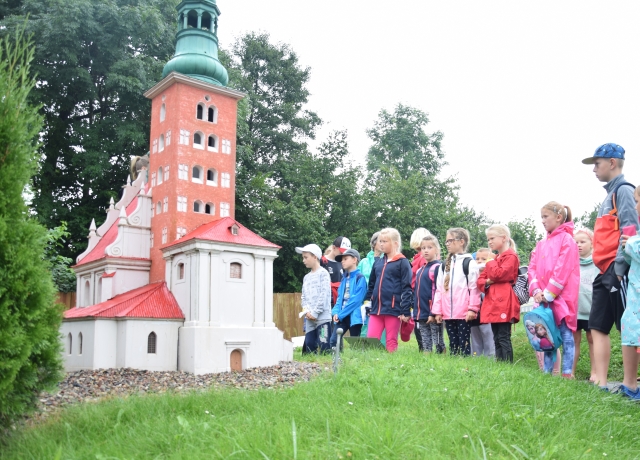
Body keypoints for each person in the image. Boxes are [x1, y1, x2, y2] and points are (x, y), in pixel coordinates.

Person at [582, 143, 638, 388]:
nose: (594, 169)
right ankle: (602, 383)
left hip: (618, 271)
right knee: (597, 325)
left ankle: (630, 383)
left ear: (612, 163)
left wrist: (619, 268)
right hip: (602, 270)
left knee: (631, 327)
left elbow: (630, 229)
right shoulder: (607, 195)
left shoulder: (624, 190)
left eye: (597, 164)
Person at [528, 202, 579, 378]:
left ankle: (566, 373)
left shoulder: (568, 240)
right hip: (544, 298)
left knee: (565, 335)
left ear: (558, 217)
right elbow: (532, 268)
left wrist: (549, 293)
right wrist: (536, 291)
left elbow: (562, 270)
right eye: (541, 217)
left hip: (561, 298)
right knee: (547, 335)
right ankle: (547, 374)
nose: (542, 220)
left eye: (545, 216)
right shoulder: (540, 244)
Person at [432, 228, 480, 356]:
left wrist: (472, 309)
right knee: (453, 343)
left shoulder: (469, 263)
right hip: (448, 313)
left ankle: (465, 367)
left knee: (464, 343)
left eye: (450, 240)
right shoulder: (443, 265)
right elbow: (439, 290)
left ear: (461, 242)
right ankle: (454, 367)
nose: (447, 244)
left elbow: (474, 288)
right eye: (446, 241)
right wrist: (437, 311)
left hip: (464, 313)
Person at [477, 225, 520, 362]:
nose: (489, 242)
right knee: (496, 336)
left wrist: (490, 263)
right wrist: (490, 280)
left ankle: (507, 365)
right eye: (488, 239)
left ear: (504, 238)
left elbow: (498, 274)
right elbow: (480, 281)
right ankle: (500, 364)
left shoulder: (510, 257)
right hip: (493, 301)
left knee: (503, 336)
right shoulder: (496, 258)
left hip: (504, 300)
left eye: (492, 238)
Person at [365, 228, 413, 352]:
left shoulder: (403, 262)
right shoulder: (378, 262)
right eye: (380, 241)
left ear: (395, 243)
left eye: (385, 241)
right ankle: (371, 366)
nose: (381, 244)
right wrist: (366, 303)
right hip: (376, 309)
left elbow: (407, 288)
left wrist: (405, 311)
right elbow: (371, 285)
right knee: (371, 340)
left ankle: (391, 368)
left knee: (391, 341)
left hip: (394, 310)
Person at [618, 185, 640, 400]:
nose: (634, 206)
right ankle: (630, 384)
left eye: (637, 200)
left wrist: (631, 244)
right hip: (635, 295)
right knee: (630, 333)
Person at [295, 244, 332, 354]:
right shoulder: (306, 277)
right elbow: (304, 296)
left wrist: (315, 312)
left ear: (315, 257)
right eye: (303, 258)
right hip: (309, 319)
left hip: (322, 319)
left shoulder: (323, 274)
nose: (303, 260)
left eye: (306, 257)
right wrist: (307, 311)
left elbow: (324, 295)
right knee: (309, 348)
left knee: (324, 346)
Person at [573, 228, 599, 381]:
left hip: (592, 309)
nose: (579, 245)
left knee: (592, 339)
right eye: (576, 242)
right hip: (575, 310)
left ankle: (594, 372)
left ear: (592, 243)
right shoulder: (571, 263)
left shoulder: (597, 262)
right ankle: (571, 372)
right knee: (574, 340)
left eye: (583, 242)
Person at [413, 235, 445, 354]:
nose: (425, 250)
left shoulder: (437, 267)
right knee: (425, 337)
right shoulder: (420, 270)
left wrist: (435, 312)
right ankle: (427, 355)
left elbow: (438, 289)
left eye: (429, 247)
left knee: (437, 338)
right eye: (423, 248)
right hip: (421, 311)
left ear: (436, 249)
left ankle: (441, 355)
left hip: (433, 310)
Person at [330, 249, 367, 350]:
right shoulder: (344, 279)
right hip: (341, 316)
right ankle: (337, 363)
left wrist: (341, 314)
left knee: (355, 344)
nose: (342, 261)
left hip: (354, 316)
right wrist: (335, 312)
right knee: (334, 341)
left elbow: (356, 301)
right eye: (342, 259)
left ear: (354, 260)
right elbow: (339, 299)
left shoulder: (360, 278)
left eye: (345, 259)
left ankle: (356, 364)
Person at [471, 248, 496, 357]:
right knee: (475, 338)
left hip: (488, 314)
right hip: (475, 314)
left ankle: (490, 358)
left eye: (483, 259)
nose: (480, 261)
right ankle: (476, 358)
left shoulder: (492, 277)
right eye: (477, 259)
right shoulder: (472, 276)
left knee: (489, 337)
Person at [410, 227, 431, 351]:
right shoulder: (417, 257)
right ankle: (423, 348)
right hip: (415, 293)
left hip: (420, 294)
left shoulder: (423, 258)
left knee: (420, 323)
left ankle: (424, 349)